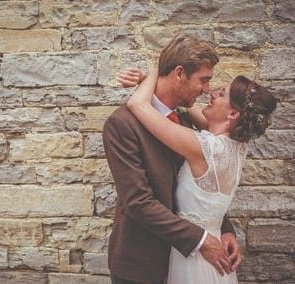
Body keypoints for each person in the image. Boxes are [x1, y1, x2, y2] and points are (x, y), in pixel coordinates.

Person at [103, 35, 240, 284]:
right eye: (204, 80)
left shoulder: (185, 119)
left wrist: (223, 228)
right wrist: (200, 240)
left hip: (188, 266)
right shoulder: (122, 124)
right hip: (143, 264)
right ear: (179, 74)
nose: (207, 89)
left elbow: (199, 186)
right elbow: (138, 202)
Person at [122, 66, 276, 283]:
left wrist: (161, 68)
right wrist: (152, 82)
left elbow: (137, 104)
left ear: (232, 114)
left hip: (196, 256)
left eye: (221, 94)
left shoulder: (204, 147)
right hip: (215, 250)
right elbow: (182, 106)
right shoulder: (237, 144)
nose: (211, 93)